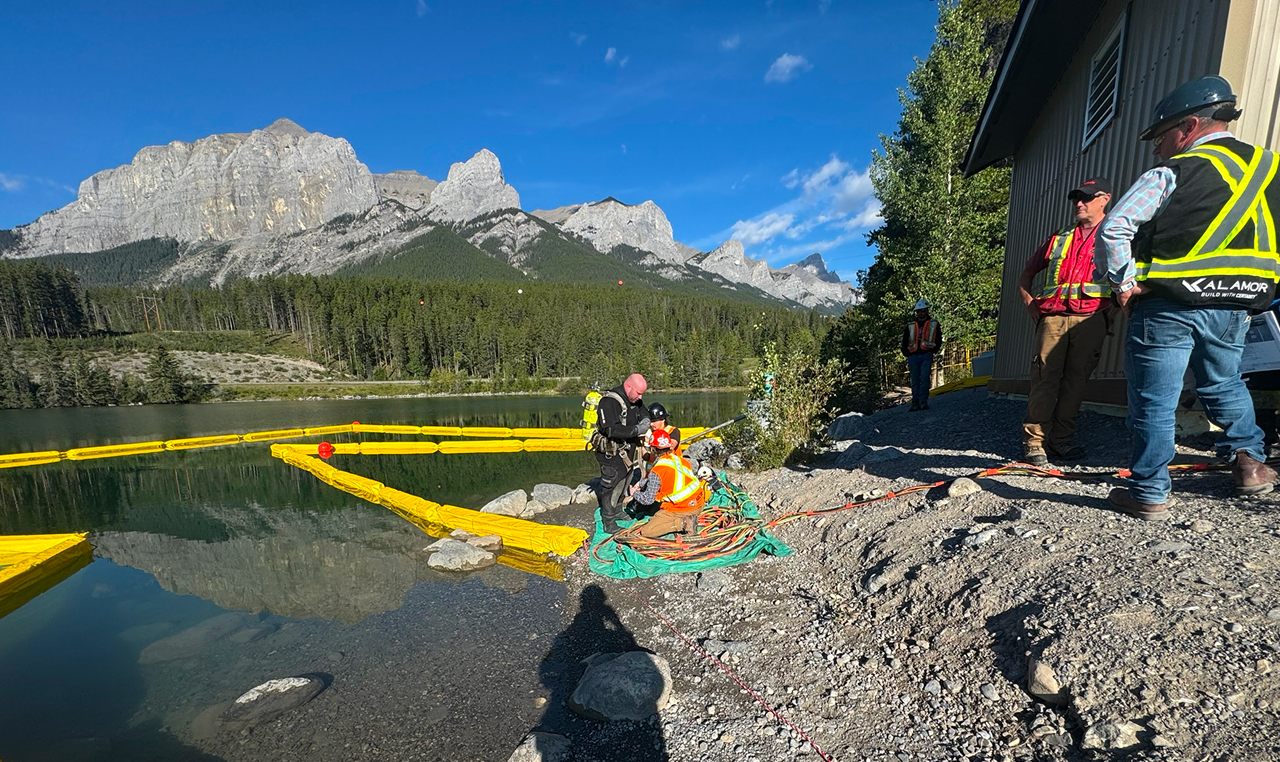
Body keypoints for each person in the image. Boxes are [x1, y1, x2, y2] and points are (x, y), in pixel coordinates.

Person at [1096, 75, 1280, 520]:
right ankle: (1250, 464)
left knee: (1155, 399)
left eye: (1161, 137)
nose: (1158, 148)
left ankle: (1149, 492)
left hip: (1167, 304)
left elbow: (1115, 227)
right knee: (1225, 381)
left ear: (1189, 126)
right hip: (1238, 302)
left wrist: (1122, 284)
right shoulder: (1271, 170)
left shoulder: (1172, 172)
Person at [1016, 178, 1115, 466]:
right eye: (1076, 199)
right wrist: (1030, 303)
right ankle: (1034, 442)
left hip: (1091, 319)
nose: (1079, 203)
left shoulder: (1115, 235)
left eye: (1086, 198)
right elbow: (1027, 274)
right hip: (1053, 318)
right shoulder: (1060, 237)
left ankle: (1061, 441)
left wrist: (1113, 312)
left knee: (1075, 382)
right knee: (1045, 378)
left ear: (1104, 199)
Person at [592, 373, 651, 533]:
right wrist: (636, 430)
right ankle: (608, 521)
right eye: (638, 393)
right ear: (629, 386)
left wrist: (646, 420)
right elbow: (610, 429)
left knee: (624, 481)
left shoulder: (634, 399)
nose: (640, 397)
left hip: (627, 451)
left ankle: (617, 510)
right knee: (611, 485)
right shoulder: (609, 402)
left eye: (642, 394)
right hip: (611, 453)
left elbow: (644, 411)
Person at [628, 429, 709, 539]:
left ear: (653, 449)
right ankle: (688, 518)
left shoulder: (657, 471)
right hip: (699, 502)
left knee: (647, 531)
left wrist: (634, 493)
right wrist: (642, 483)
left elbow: (648, 500)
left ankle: (684, 523)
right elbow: (670, 478)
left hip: (683, 509)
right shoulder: (679, 460)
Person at [902, 299, 942, 411]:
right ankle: (915, 403)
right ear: (916, 312)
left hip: (926, 354)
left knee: (924, 379)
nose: (921, 313)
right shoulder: (910, 325)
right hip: (913, 356)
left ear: (927, 311)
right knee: (915, 380)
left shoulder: (933, 324)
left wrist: (934, 350)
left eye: (923, 311)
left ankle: (923, 402)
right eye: (919, 311)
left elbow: (938, 338)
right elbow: (905, 340)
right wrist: (906, 353)